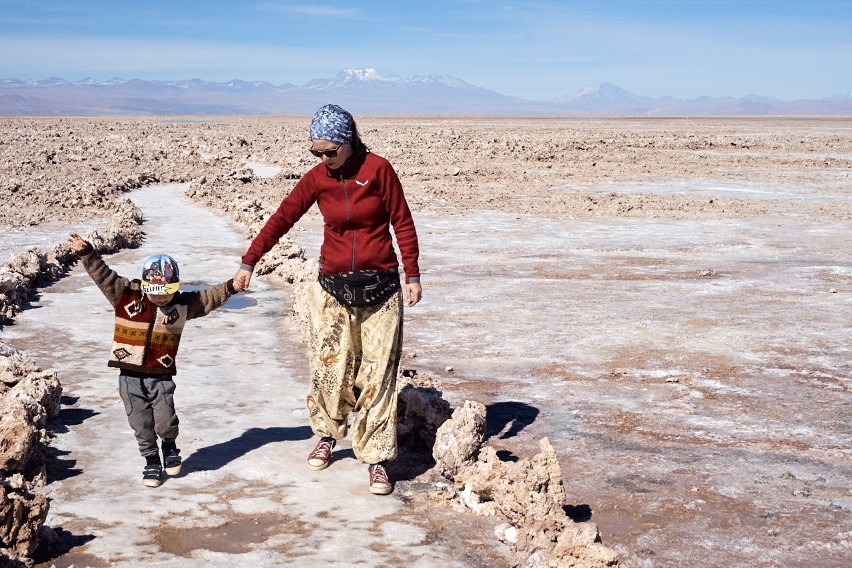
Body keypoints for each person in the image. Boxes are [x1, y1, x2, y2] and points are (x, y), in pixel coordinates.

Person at [233, 104, 421, 495]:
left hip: (381, 290)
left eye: (330, 152)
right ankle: (327, 435)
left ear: (348, 142)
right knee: (330, 369)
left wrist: (413, 273)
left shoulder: (378, 170)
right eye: (316, 153)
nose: (324, 159)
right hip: (333, 289)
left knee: (378, 377)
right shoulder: (317, 178)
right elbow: (282, 217)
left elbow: (402, 221)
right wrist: (250, 260)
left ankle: (376, 459)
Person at [68, 233, 241, 488]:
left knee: (165, 419)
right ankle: (150, 460)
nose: (161, 299)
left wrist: (231, 286)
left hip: (160, 374)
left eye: (167, 293)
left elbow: (208, 299)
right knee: (140, 422)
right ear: (145, 286)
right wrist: (87, 253)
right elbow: (103, 275)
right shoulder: (125, 295)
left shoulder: (182, 305)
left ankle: (169, 446)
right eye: (155, 293)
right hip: (129, 375)